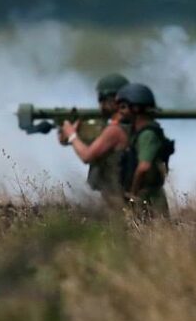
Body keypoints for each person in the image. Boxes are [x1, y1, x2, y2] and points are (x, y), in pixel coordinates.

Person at [60, 72, 129, 211]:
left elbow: (86, 156)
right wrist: (70, 133)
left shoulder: (115, 130)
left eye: (102, 98)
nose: (100, 104)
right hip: (119, 196)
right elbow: (66, 140)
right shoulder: (126, 125)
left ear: (114, 100)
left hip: (119, 199)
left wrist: (72, 135)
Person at [112, 82, 173, 218]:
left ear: (136, 108)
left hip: (149, 198)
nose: (120, 112)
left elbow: (144, 167)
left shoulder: (147, 135)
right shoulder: (137, 133)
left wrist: (133, 195)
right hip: (144, 197)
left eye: (123, 107)